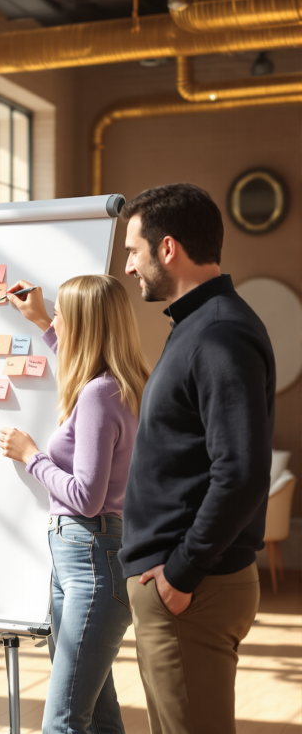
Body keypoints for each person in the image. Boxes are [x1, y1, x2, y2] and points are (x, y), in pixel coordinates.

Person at [119, 183, 275, 734]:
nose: (129, 266)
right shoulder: (197, 325)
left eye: (133, 251)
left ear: (167, 248)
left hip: (191, 589)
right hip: (182, 588)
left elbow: (242, 473)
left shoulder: (218, 334)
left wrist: (182, 574)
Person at [0, 274, 151, 734]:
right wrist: (42, 323)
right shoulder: (121, 384)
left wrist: (32, 456)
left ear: (84, 325)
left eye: (61, 315)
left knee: (63, 721)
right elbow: (78, 362)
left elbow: (86, 497)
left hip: (91, 558)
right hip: (85, 558)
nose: (57, 322)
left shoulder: (99, 394)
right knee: (99, 716)